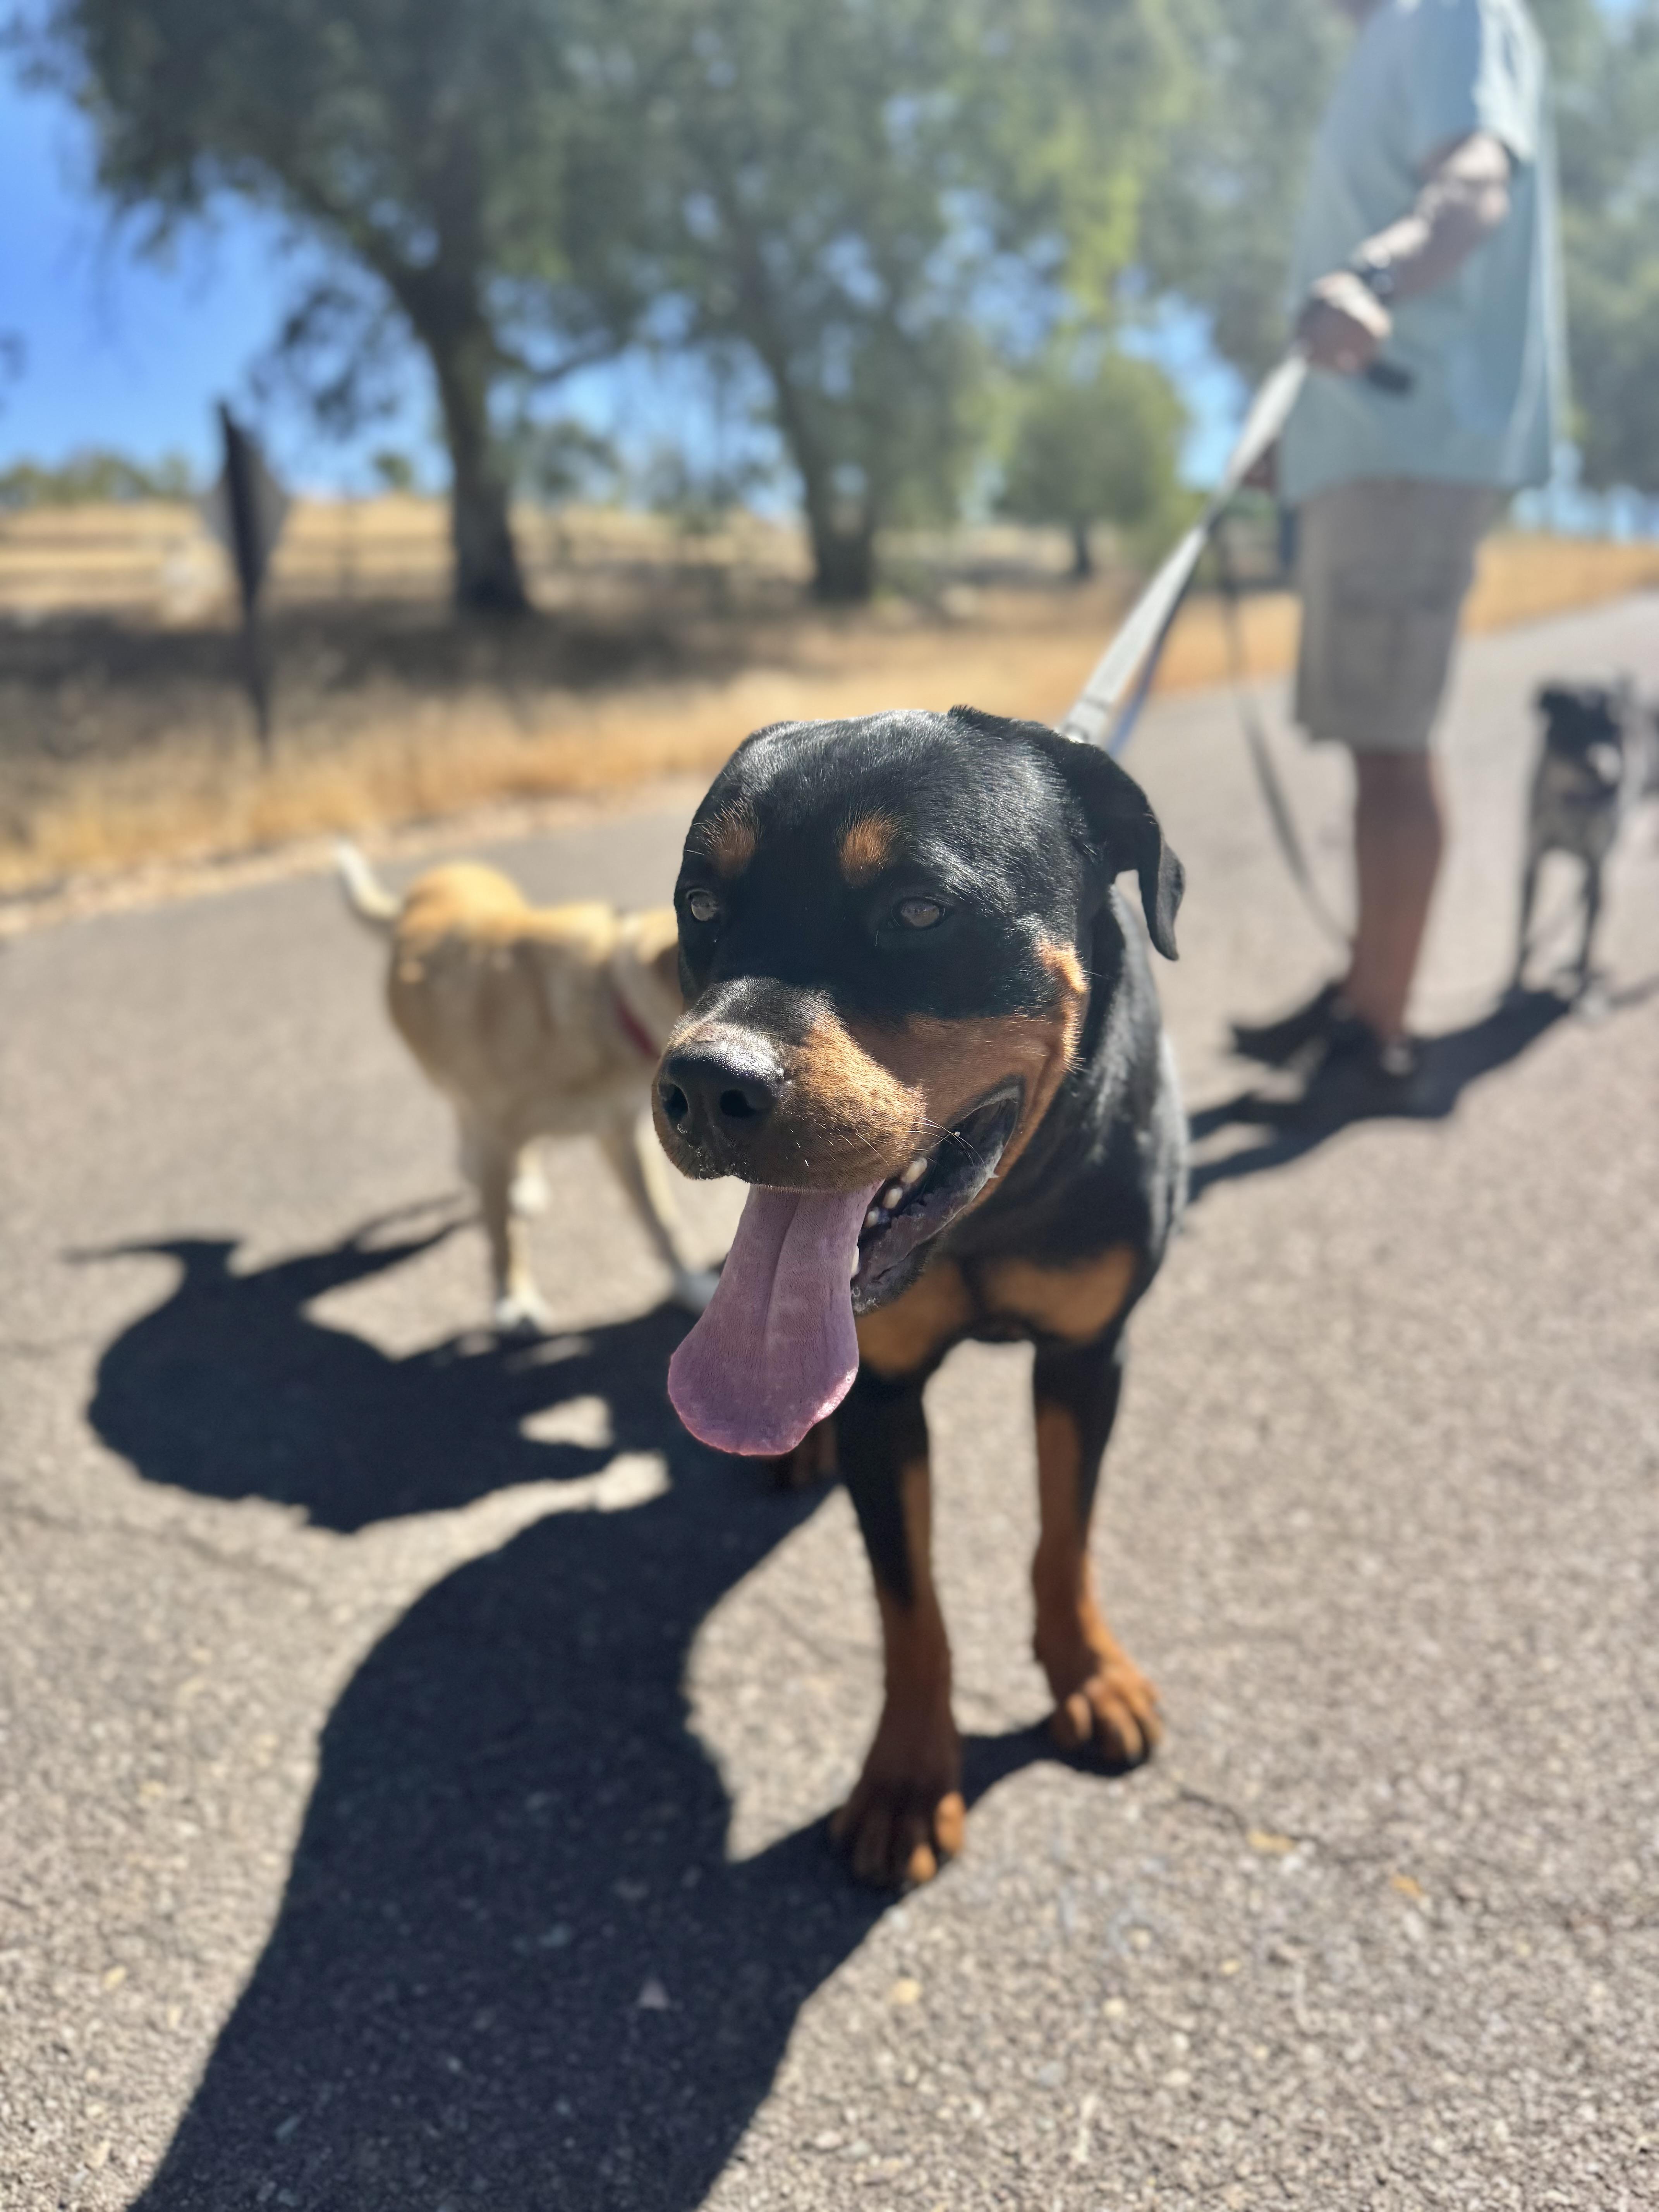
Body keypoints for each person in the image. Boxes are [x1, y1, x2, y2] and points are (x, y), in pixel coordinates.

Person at [1234, 0, 1564, 1104]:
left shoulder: (1449, 11)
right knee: (1372, 737)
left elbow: (1474, 180)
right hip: (1362, 442)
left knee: (1386, 742)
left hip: (1408, 436)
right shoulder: (1390, 37)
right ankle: (1361, 986)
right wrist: (1290, 429)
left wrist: (1371, 277)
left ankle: (1374, 1034)